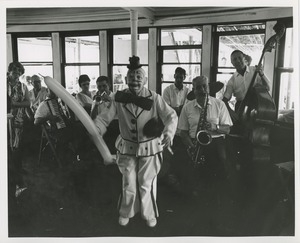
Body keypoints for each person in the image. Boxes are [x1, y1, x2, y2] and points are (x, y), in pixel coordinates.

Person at [94, 56, 178, 228]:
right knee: (128, 182)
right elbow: (104, 119)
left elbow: (171, 116)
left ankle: (149, 214)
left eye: (139, 77)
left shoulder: (154, 98)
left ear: (145, 80)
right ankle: (127, 212)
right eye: (131, 78)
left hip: (150, 147)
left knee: (146, 183)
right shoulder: (118, 98)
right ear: (125, 80)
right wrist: (97, 129)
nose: (135, 81)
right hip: (127, 148)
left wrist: (169, 132)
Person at [178, 76, 233, 194]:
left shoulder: (219, 104)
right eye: (198, 87)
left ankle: (220, 195)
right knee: (191, 173)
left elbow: (227, 129)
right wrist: (190, 146)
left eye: (204, 86)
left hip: (216, 142)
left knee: (223, 164)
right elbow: (182, 132)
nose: (202, 90)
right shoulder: (187, 107)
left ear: (208, 87)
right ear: (193, 90)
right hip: (194, 143)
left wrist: (216, 127)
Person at [34, 89, 87, 164]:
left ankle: (77, 156)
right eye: (52, 90)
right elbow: (36, 122)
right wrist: (49, 117)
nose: (55, 92)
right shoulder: (44, 104)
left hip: (66, 127)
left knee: (83, 129)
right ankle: (67, 159)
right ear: (47, 91)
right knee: (70, 135)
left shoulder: (60, 101)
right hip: (54, 130)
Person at [222, 50, 270, 122]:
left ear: (244, 59)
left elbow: (268, 87)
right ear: (232, 63)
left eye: (240, 58)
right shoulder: (231, 81)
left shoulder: (255, 70)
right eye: (235, 59)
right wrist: (231, 112)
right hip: (241, 109)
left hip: (256, 107)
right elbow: (224, 101)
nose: (238, 61)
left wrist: (261, 74)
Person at [7, 61, 31, 191]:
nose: (17, 74)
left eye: (19, 72)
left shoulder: (23, 87)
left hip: (18, 121)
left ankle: (17, 177)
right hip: (4, 121)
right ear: (9, 71)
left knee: (16, 149)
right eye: (15, 71)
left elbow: (28, 102)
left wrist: (15, 105)